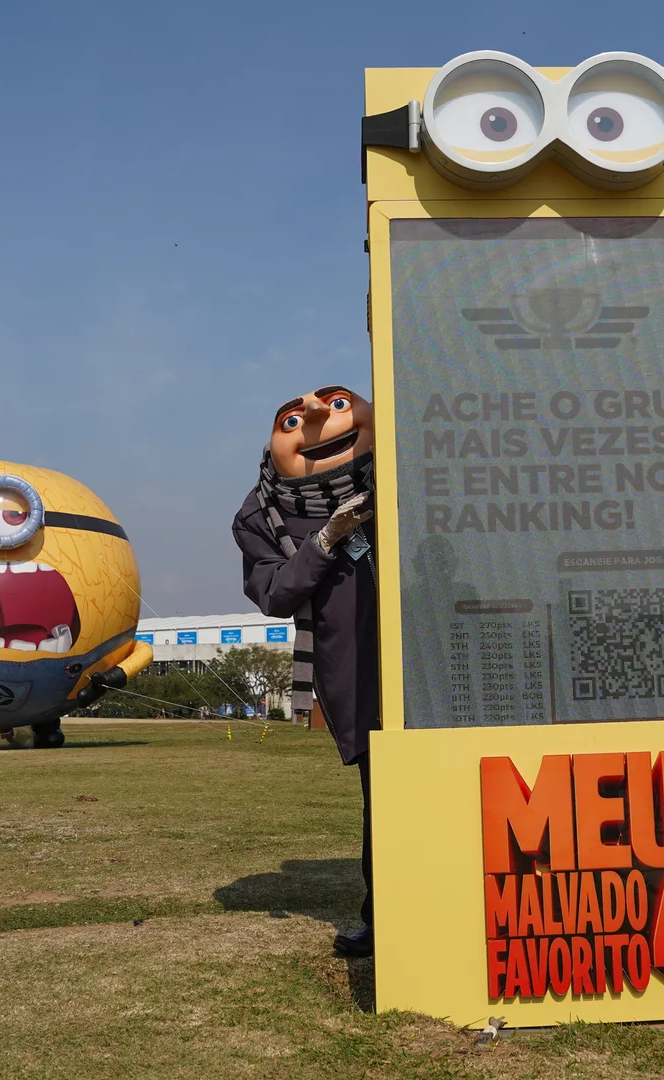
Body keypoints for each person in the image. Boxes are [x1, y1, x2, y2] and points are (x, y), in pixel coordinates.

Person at [232, 384, 377, 958]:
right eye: (292, 419)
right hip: (358, 673)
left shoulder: (410, 470)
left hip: (437, 657)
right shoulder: (261, 513)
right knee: (384, 798)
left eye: (339, 404)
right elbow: (274, 592)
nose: (316, 417)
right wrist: (325, 539)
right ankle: (387, 914)